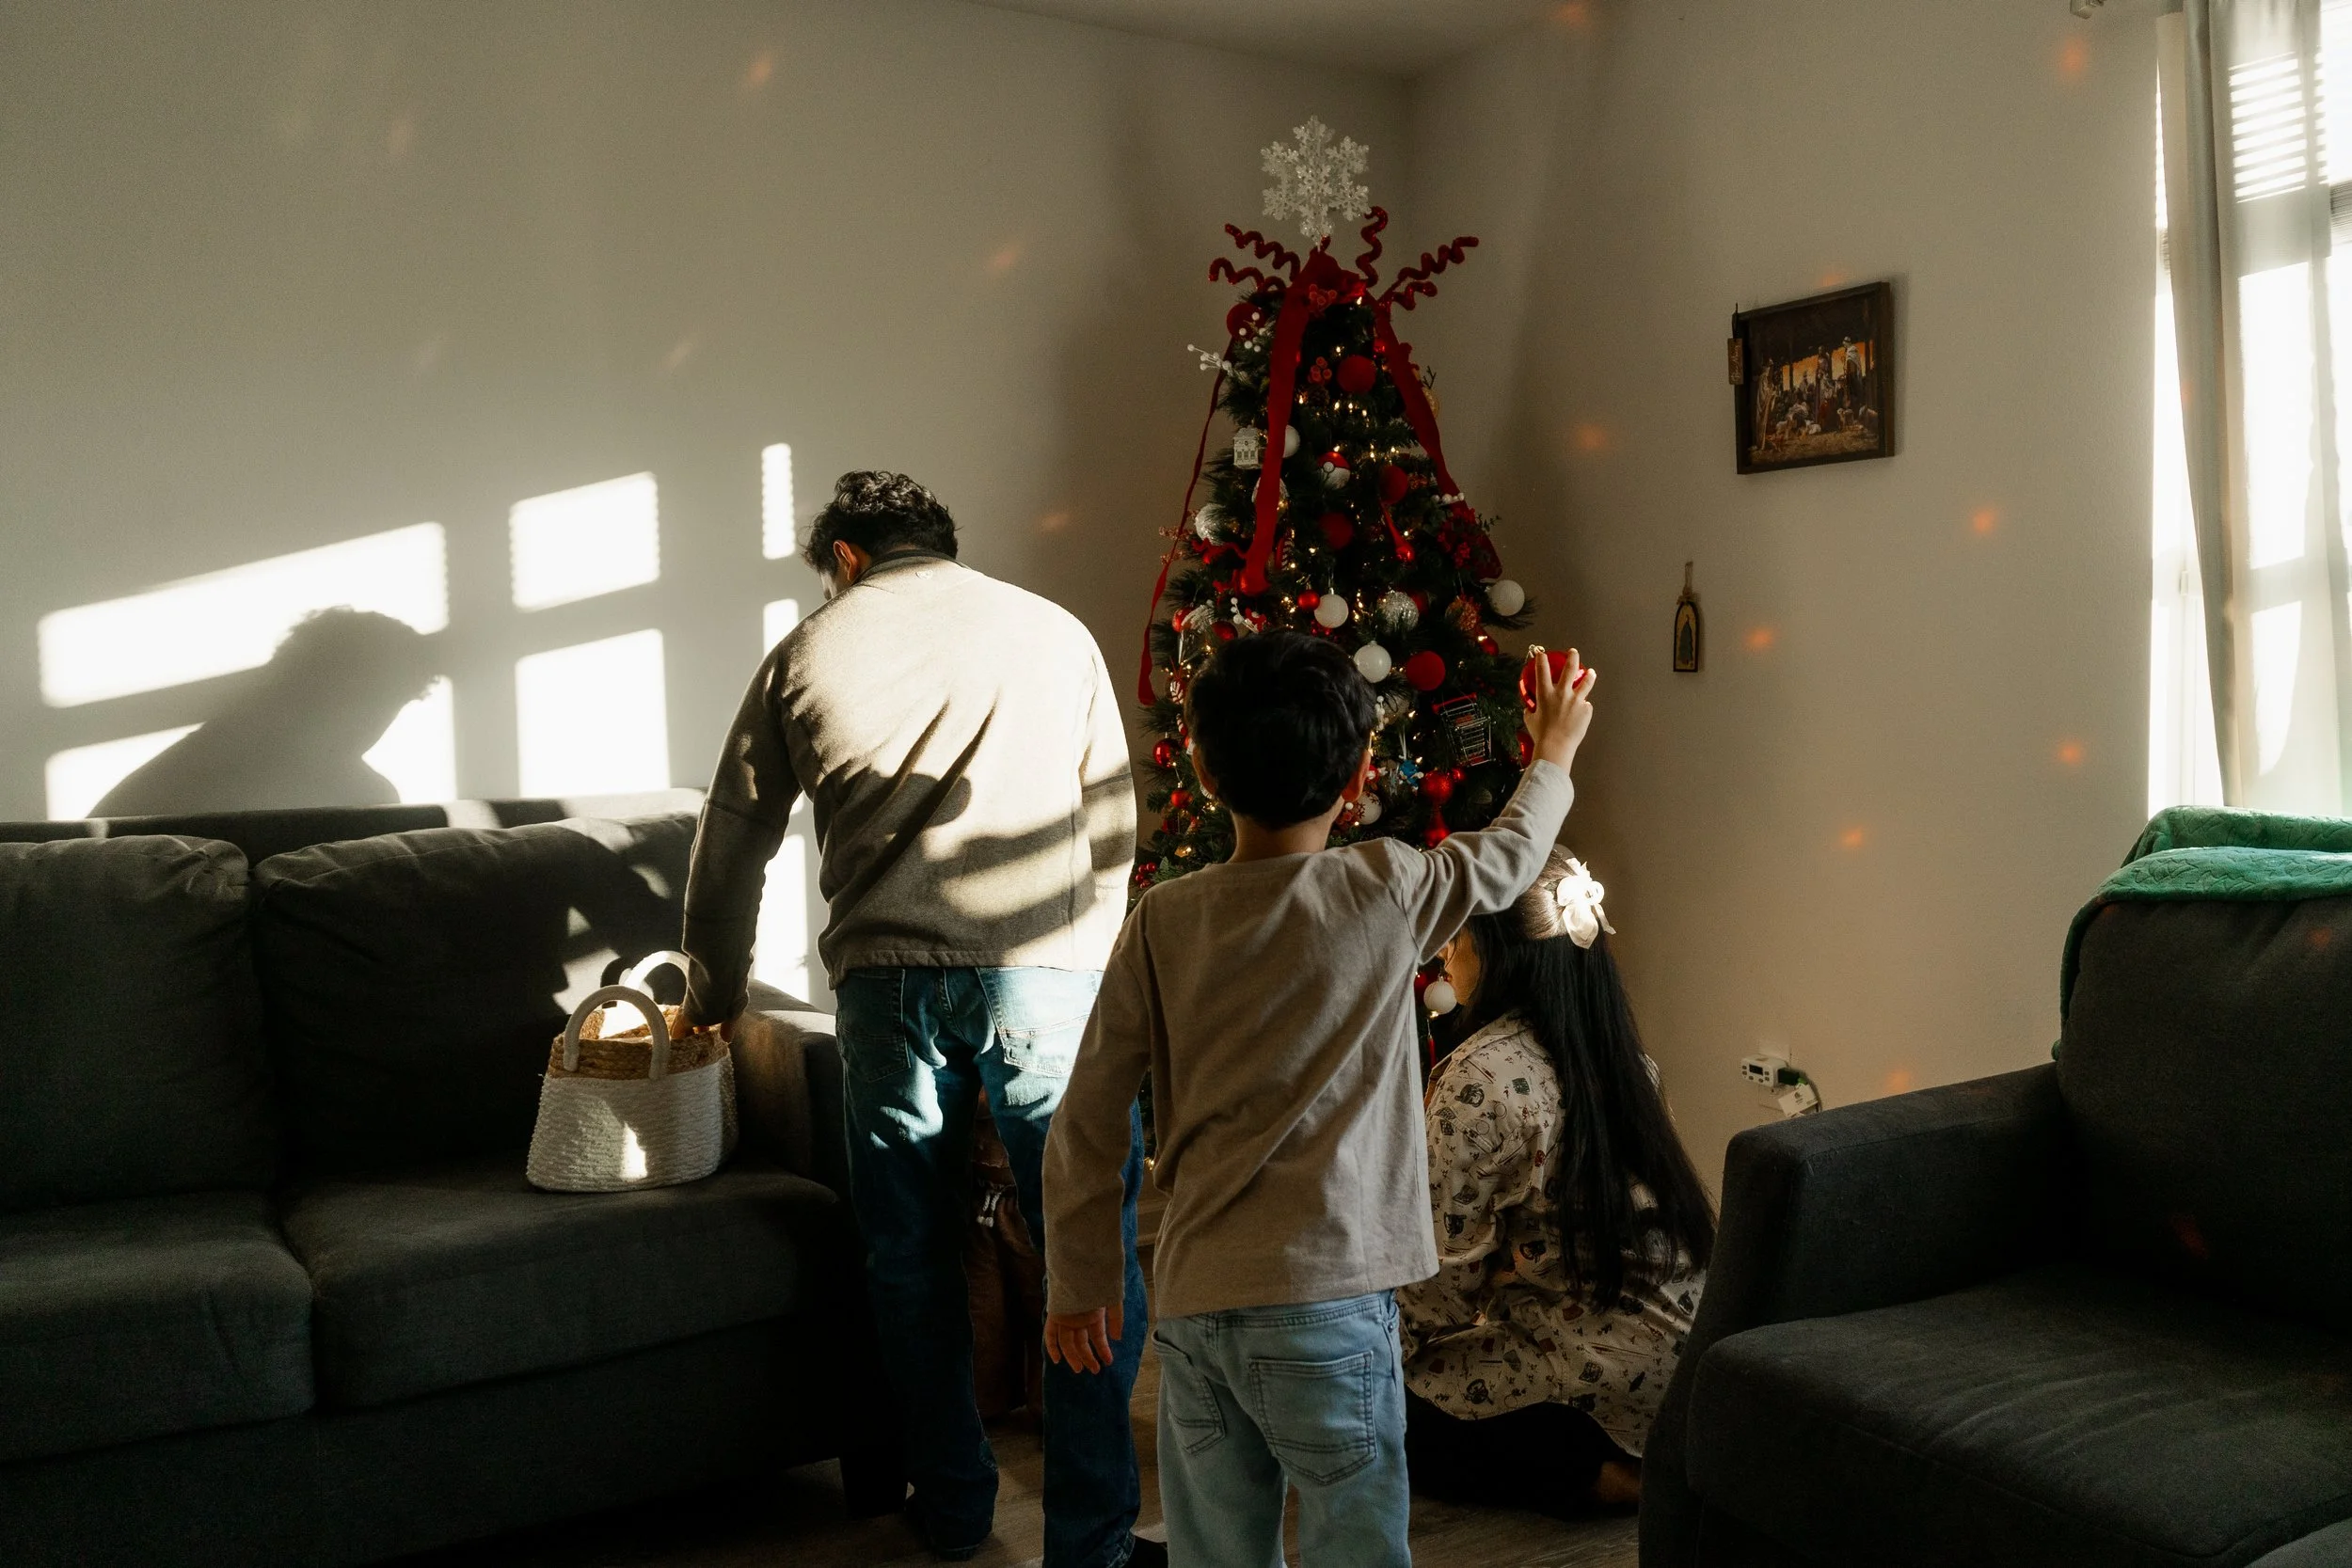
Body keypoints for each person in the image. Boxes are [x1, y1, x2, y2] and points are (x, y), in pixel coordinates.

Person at [678, 471, 1154, 1568]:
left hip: (887, 986)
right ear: (938, 543)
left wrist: (713, 997)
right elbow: (1114, 822)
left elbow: (731, 846)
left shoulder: (806, 651)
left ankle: (952, 1506)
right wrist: (1084, 962)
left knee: (907, 1252)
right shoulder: (1053, 631)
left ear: (844, 555)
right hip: (1047, 975)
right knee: (1089, 1240)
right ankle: (1091, 1536)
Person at [1041, 630, 1596, 1568]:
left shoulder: (1164, 920)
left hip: (1197, 1307)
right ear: (1358, 778)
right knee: (1355, 1540)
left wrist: (1081, 1280)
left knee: (1214, 1547)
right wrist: (1552, 753)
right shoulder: (1384, 885)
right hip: (1328, 1304)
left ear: (1205, 770)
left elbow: (1089, 1118)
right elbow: (1507, 860)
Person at [1398, 849, 1713, 1517]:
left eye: (1460, 933)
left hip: (1597, 1366)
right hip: (1690, 1363)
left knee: (1386, 1409)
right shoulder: (1628, 1059)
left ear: (1500, 951)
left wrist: (1366, 1357)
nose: (1446, 953)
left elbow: (1438, 1284)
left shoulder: (1479, 1080)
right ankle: (1646, 1456)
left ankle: (1618, 1479)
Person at [92, 607, 436, 817]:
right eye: (370, 701)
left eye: (389, 706)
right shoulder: (359, 793)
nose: (372, 724)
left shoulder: (364, 792)